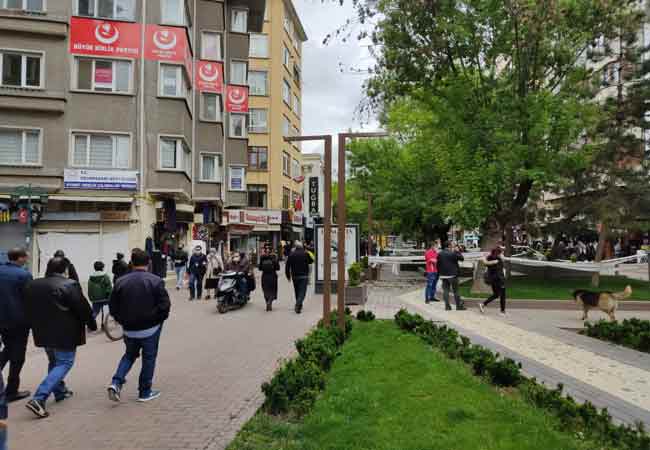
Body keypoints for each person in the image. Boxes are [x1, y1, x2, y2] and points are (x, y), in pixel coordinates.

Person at [23, 257, 96, 418]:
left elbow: (27, 308)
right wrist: (92, 324)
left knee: (54, 362)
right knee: (64, 363)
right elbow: (82, 308)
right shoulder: (69, 284)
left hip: (43, 332)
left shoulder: (33, 285)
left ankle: (60, 391)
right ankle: (39, 398)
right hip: (64, 333)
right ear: (65, 269)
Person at [107, 249, 171, 403]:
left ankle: (116, 382)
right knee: (149, 359)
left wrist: (122, 320)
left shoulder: (120, 282)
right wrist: (157, 320)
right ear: (148, 263)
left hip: (129, 329)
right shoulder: (156, 281)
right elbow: (165, 306)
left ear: (132, 262)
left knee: (129, 355)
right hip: (151, 329)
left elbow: (113, 307)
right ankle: (144, 392)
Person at [0, 248, 32, 403]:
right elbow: (30, 298)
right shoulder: (23, 275)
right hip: (19, 321)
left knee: (8, 349)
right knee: (17, 356)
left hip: (3, 320)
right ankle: (11, 391)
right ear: (20, 258)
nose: (27, 259)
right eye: (26, 256)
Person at [285, 241, 314, 314]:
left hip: (295, 276)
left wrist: (288, 276)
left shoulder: (291, 254)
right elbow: (311, 261)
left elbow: (287, 266)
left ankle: (299, 305)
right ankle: (298, 304)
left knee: (297, 291)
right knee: (302, 292)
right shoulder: (305, 253)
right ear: (301, 247)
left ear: (295, 247)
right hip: (304, 276)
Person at [437, 241, 466, 311]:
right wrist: (457, 251)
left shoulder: (440, 253)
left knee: (445, 290)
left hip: (443, 275)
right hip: (453, 275)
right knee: (456, 291)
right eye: (452, 245)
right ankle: (458, 306)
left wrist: (440, 273)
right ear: (449, 246)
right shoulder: (452, 253)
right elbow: (462, 258)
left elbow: (438, 264)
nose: (453, 246)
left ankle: (447, 306)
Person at [479, 248, 507, 316]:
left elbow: (486, 261)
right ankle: (502, 312)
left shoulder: (490, 258)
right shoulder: (497, 260)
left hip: (493, 280)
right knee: (502, 295)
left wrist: (484, 258)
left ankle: (483, 304)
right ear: (498, 254)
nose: (502, 254)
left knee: (496, 295)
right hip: (499, 280)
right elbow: (488, 262)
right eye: (501, 253)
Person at [259, 246, 280, 311]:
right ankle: (270, 302)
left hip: (264, 276)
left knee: (265, 289)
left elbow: (260, 268)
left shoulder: (262, 258)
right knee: (272, 290)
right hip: (273, 275)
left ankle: (267, 302)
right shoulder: (274, 257)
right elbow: (278, 268)